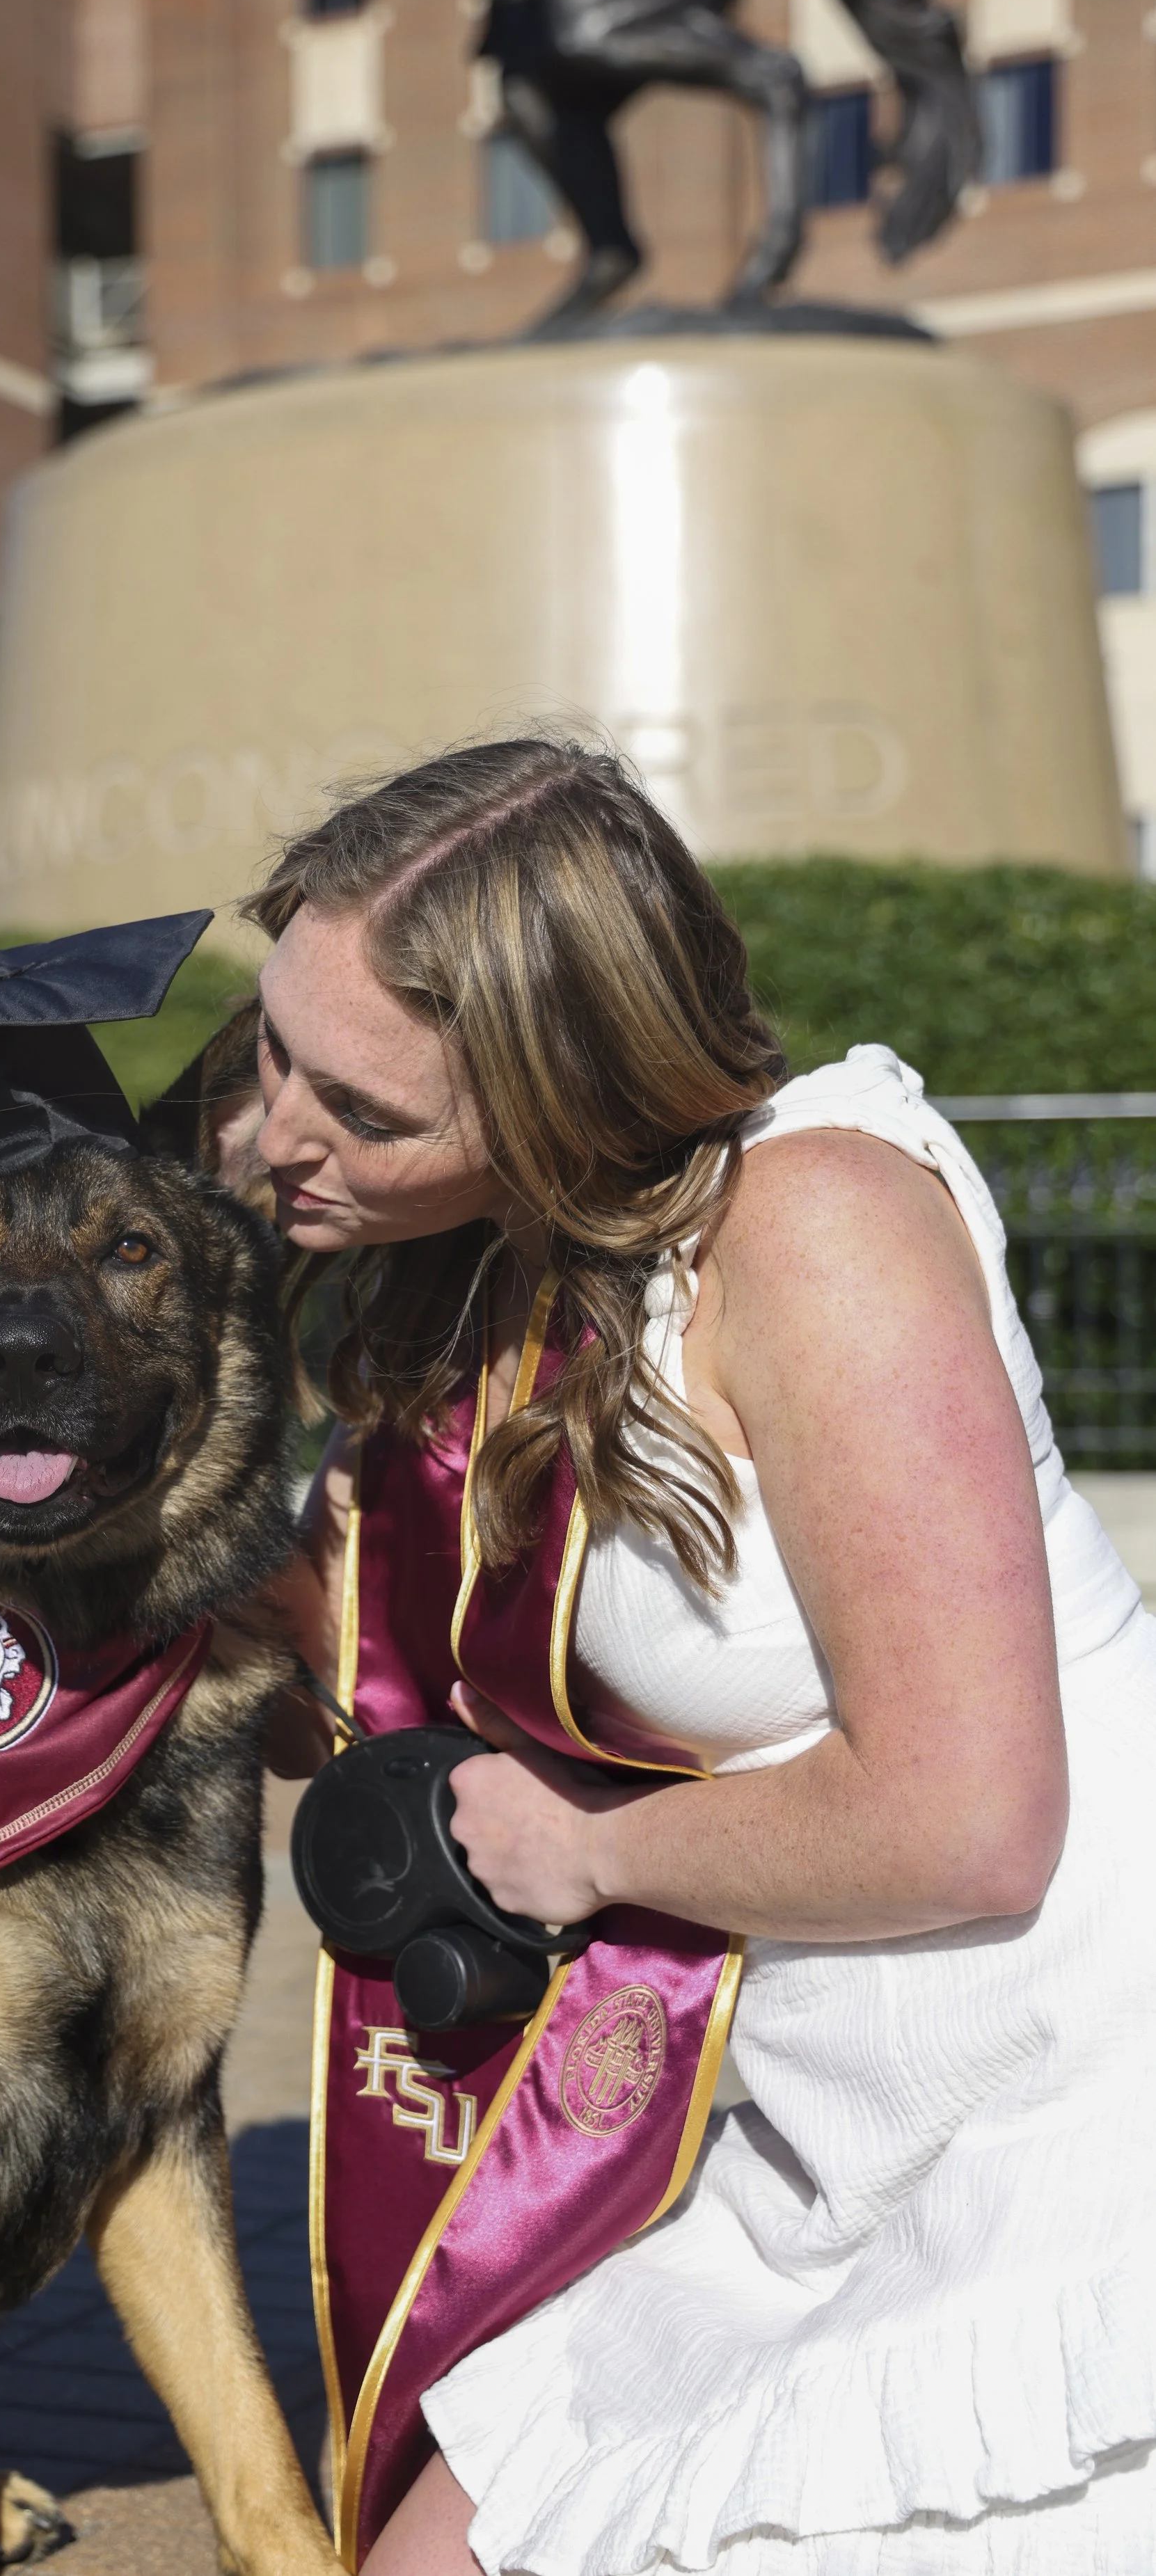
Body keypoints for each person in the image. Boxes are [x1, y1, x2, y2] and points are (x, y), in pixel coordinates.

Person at [236, 736, 1156, 2574]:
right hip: (821, 2113)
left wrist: (584, 1850)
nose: (273, 1132)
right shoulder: (511, 1261)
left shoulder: (810, 1223)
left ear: (553, 1097)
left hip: (1067, 2082)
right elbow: (322, 1671)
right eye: (268, 1049)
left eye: (358, 1106)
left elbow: (971, 1820)